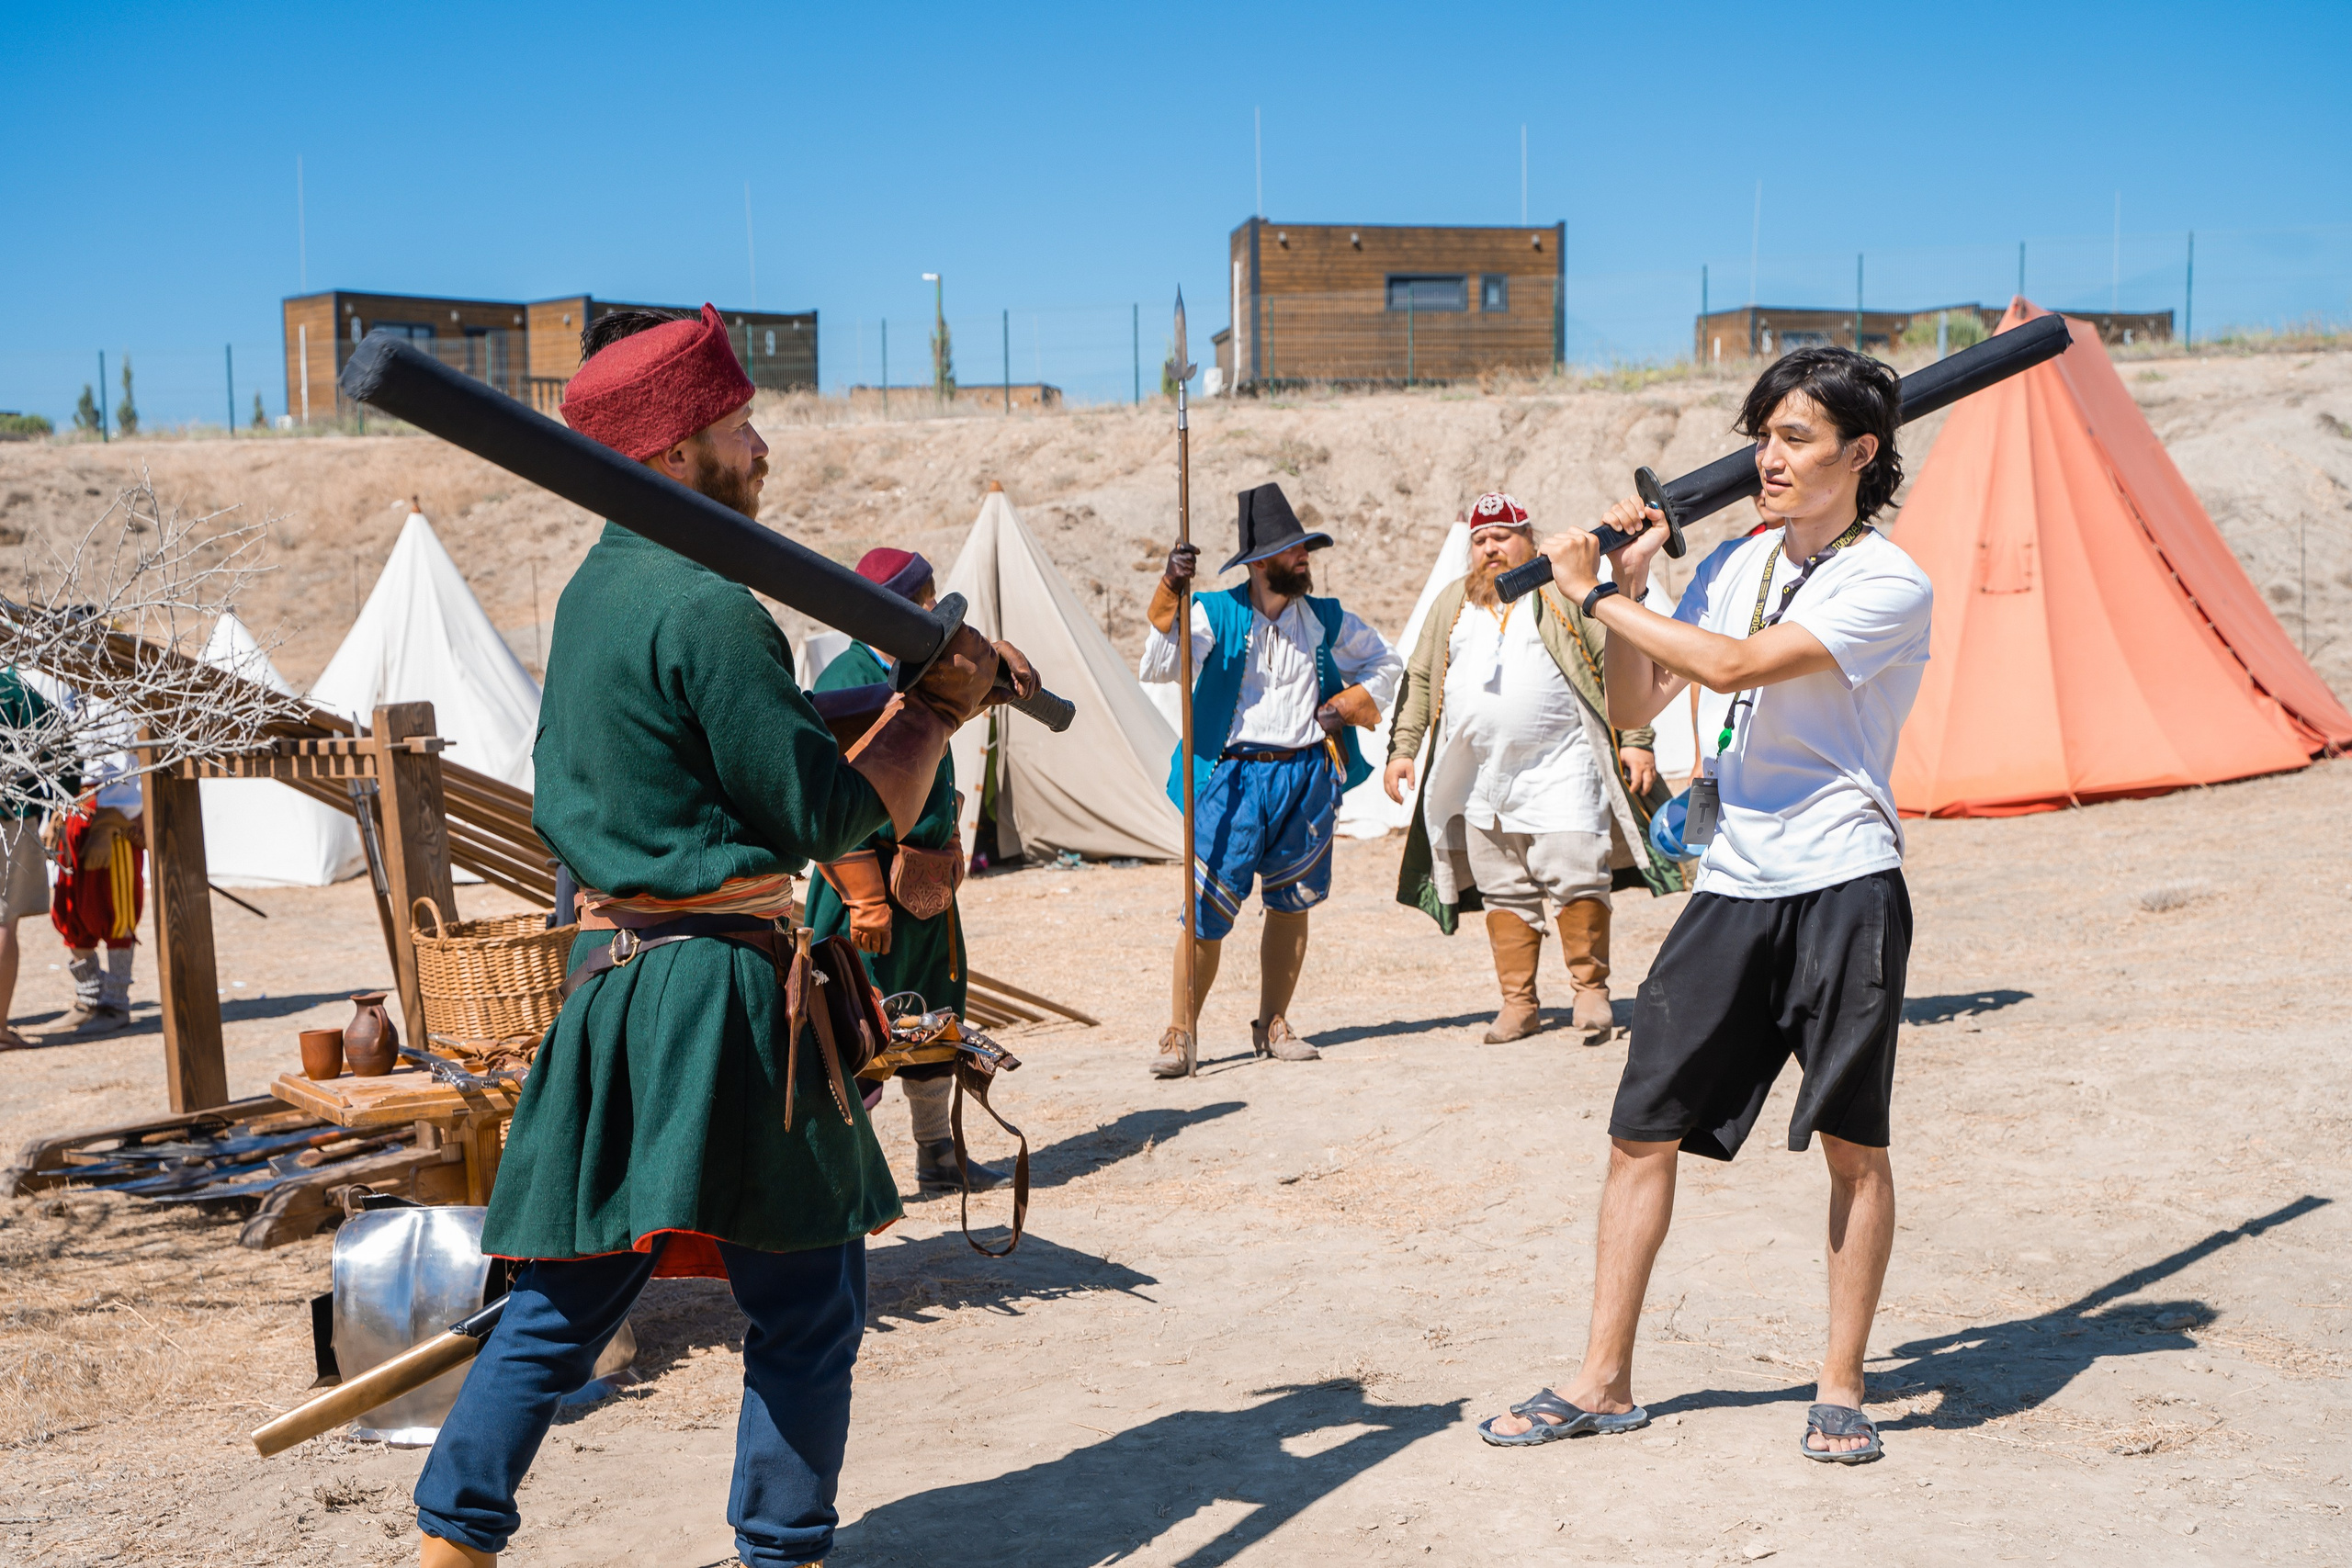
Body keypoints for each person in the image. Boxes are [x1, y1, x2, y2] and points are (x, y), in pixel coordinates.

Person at [410, 304, 1036, 1568]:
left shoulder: (594, 595)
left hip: (615, 983)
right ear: (671, 453)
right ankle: (782, 1551)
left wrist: (896, 701)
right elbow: (836, 815)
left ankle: (449, 1551)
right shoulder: (705, 605)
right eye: (738, 428)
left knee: (562, 1299)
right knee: (807, 1302)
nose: (762, 451)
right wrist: (938, 708)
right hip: (718, 995)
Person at [1478, 346, 1931, 1465]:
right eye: (1762, 436)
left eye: (1792, 439)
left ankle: (1840, 1385)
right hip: (1733, 881)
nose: (1764, 459)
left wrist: (1587, 590)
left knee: (1850, 1144)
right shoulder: (1737, 561)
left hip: (1842, 878)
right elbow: (1645, 696)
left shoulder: (1889, 581)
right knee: (1640, 1129)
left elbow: (1731, 671)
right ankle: (1603, 1380)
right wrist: (1626, 593)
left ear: (1858, 453)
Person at [1384, 492, 1679, 1045]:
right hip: (1480, 775)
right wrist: (1403, 749)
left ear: (1527, 536)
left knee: (1576, 871)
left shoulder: (1563, 589)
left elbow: (1626, 647)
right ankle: (1518, 1003)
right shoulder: (1454, 601)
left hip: (1563, 765)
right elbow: (1421, 679)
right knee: (1503, 888)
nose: (1491, 547)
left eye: (1502, 535)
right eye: (1480, 540)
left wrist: (1636, 739)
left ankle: (1590, 992)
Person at [1138, 481, 1401, 1078]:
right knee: (1203, 910)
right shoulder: (1214, 612)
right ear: (1259, 564)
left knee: (1292, 903)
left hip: (1307, 776)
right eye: (1291, 550)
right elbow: (1158, 662)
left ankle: (1273, 1023)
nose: (1303, 557)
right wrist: (1171, 589)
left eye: (1304, 547)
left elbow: (1388, 662)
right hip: (1231, 778)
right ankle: (1181, 1032)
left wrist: (1348, 703)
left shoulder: (1328, 618)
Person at [805, 546, 1009, 1196]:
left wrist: (999, 667)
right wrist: (864, 896)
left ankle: (938, 1158)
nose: (927, 614)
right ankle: (850, 1178)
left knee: (935, 1022)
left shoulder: (922, 670)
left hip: (926, 890)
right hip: (862, 894)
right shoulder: (845, 675)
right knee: (856, 1029)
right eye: (918, 605)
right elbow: (821, 797)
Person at [47, 703, 146, 1036]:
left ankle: (115, 1004)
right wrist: (58, 813)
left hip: (113, 818)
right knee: (70, 912)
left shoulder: (123, 700)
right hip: (77, 810)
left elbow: (133, 772)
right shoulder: (74, 694)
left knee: (115, 913)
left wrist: (109, 825)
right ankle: (88, 1000)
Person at [0, 666, 75, 1050]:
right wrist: (60, 806)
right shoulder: (14, 688)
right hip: (11, 818)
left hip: (12, 814)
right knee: (3, 922)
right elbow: (65, 746)